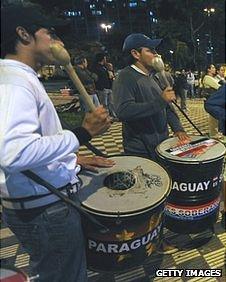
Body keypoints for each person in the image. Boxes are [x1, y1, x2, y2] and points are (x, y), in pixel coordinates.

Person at [0, 4, 115, 282]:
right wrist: (82, 134)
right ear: (23, 35)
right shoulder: (14, 83)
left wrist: (71, 159)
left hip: (41, 203)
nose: (57, 41)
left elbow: (31, 142)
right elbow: (13, 153)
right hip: (46, 211)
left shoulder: (18, 78)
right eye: (49, 32)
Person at [112, 33, 189, 162]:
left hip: (161, 145)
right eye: (150, 50)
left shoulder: (154, 76)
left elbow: (167, 107)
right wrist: (161, 101)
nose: (156, 54)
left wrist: (178, 129)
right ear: (136, 54)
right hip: (140, 149)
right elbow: (123, 111)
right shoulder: (125, 77)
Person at [92, 53, 116, 117]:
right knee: (104, 104)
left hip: (108, 87)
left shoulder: (105, 67)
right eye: (105, 58)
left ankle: (113, 115)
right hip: (102, 89)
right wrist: (100, 87)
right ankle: (106, 116)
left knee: (111, 103)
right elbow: (96, 78)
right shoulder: (96, 68)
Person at [202, 64, 221, 137]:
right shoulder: (207, 78)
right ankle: (214, 138)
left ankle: (215, 136)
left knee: (215, 121)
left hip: (215, 102)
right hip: (212, 103)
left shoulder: (212, 78)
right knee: (214, 122)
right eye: (212, 67)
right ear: (208, 69)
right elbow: (219, 86)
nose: (214, 69)